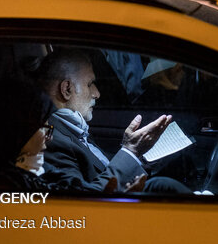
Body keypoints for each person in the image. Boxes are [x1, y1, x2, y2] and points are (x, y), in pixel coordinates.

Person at [35, 48, 192, 193]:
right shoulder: (50, 140)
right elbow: (84, 200)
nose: (97, 93)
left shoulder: (71, 127)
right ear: (67, 89)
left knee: (162, 184)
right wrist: (131, 150)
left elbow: (101, 167)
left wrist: (139, 155)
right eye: (90, 84)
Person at [0, 79, 70, 191]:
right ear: (21, 129)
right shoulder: (8, 186)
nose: (49, 138)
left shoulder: (43, 170)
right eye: (44, 128)